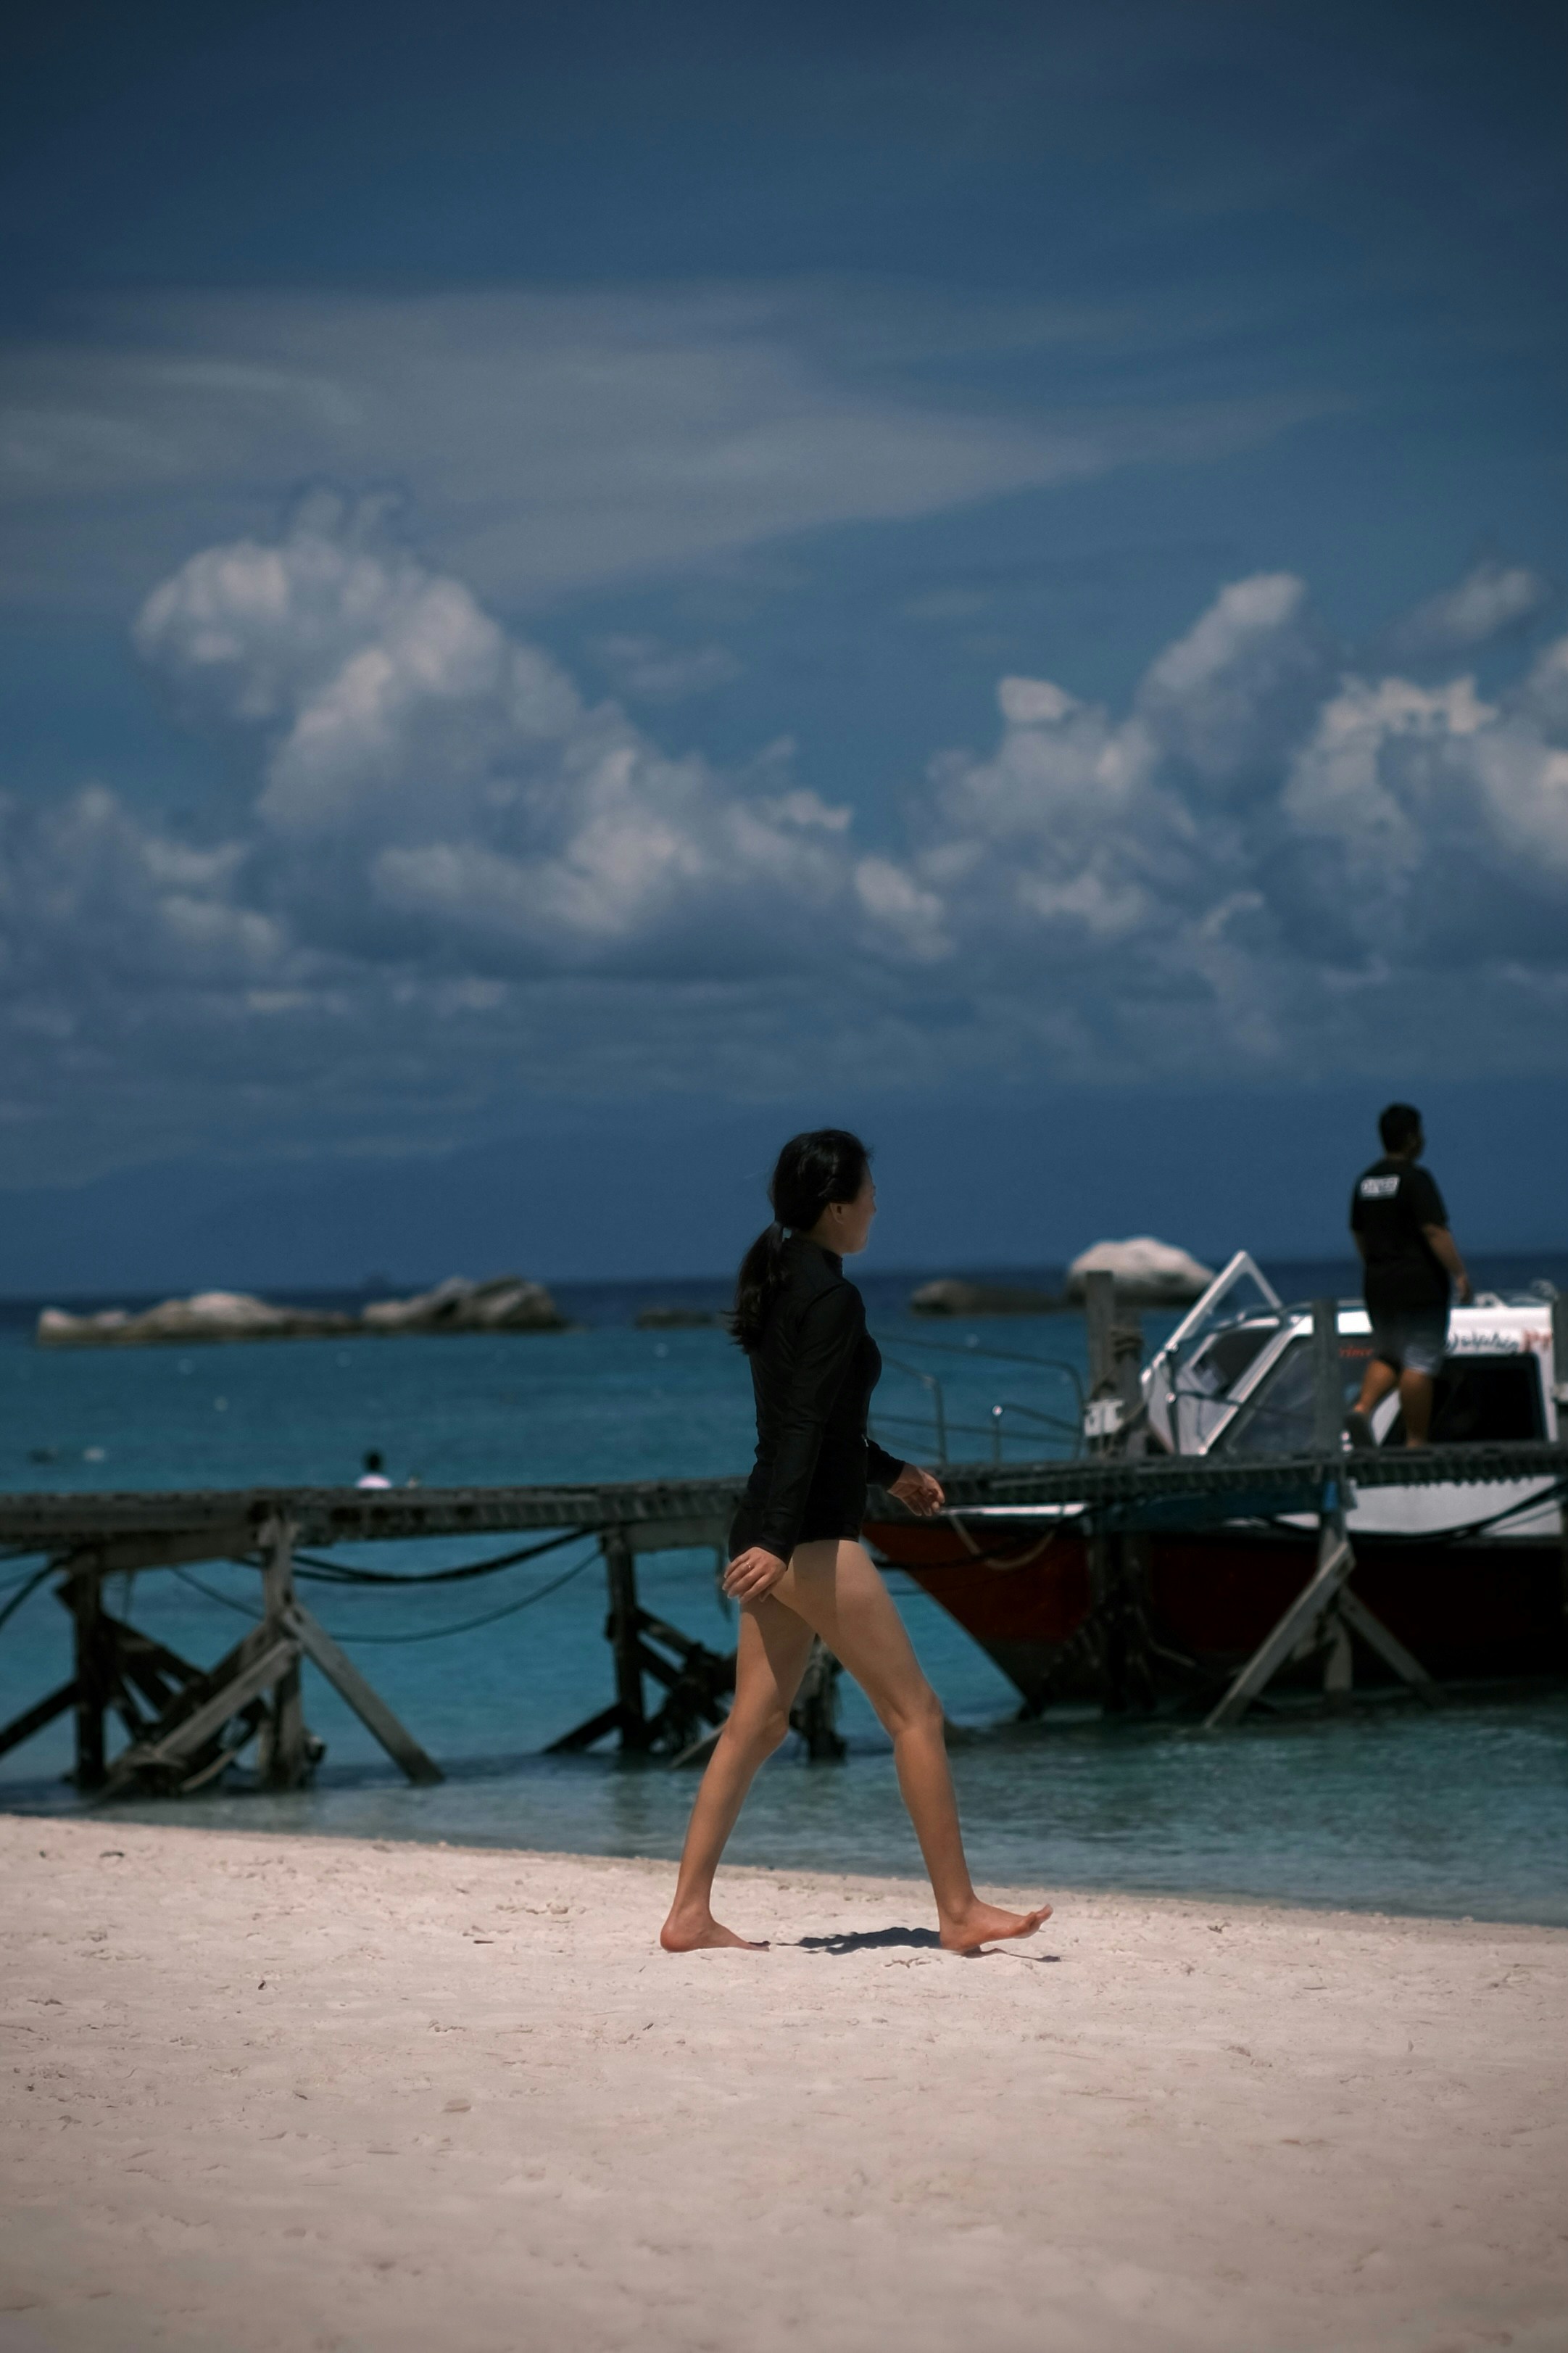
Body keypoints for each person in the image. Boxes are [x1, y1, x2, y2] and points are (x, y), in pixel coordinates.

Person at [660, 1128, 1052, 1956]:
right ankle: (958, 1910)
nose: (878, 1204)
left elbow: (821, 1422)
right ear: (837, 1206)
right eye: (869, 1192)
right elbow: (801, 1424)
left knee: (758, 1725)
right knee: (916, 1712)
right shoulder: (833, 1298)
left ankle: (689, 1914)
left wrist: (890, 1469)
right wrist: (775, 1541)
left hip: (776, 1525)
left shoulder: (781, 1274)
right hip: (803, 1538)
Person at [1347, 1103, 1472, 1449]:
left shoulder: (1366, 1182)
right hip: (1419, 1287)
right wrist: (1459, 1274)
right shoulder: (1416, 1179)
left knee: (1389, 1354)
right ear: (1413, 1138)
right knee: (1420, 1360)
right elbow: (1434, 1230)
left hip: (1379, 1286)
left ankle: (1362, 1406)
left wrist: (1377, 1266)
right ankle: (1416, 1440)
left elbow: (1358, 1234)